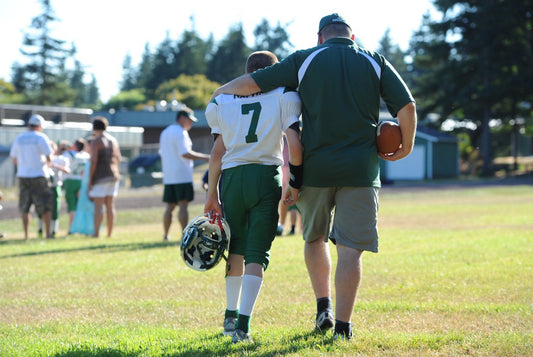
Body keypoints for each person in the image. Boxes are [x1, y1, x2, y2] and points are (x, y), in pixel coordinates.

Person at [210, 13, 417, 340]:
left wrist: (220, 92)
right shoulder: (374, 60)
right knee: (350, 249)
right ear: (353, 36)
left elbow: (254, 82)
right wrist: (404, 148)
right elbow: (407, 107)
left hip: (316, 170)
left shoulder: (305, 57)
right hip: (361, 170)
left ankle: (324, 306)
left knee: (314, 238)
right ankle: (344, 329)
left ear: (320, 37)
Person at [204, 50, 303, 343]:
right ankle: (243, 327)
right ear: (272, 72)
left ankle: (229, 316)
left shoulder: (222, 101)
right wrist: (295, 180)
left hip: (232, 179)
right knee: (257, 253)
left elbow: (216, 154)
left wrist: (211, 194)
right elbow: (294, 145)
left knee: (235, 248)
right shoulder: (284, 95)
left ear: (246, 72)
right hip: (264, 176)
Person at [159, 108, 210, 241]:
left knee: (169, 207)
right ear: (182, 118)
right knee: (183, 205)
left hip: (169, 176)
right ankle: (184, 234)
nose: (191, 124)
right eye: (189, 120)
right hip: (182, 174)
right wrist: (206, 157)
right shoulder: (181, 132)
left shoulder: (165, 132)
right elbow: (185, 153)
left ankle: (166, 235)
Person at [9, 114, 55, 239]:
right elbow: (49, 157)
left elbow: (14, 159)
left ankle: (26, 235)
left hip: (23, 175)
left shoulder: (19, 138)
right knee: (45, 204)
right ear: (40, 126)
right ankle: (48, 233)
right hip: (39, 175)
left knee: (25, 206)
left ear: (29, 125)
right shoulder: (41, 137)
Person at [88, 117, 121, 238]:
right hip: (113, 175)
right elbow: (118, 158)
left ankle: (96, 233)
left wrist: (90, 179)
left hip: (100, 176)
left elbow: (94, 161)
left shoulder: (96, 141)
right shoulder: (113, 140)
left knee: (98, 206)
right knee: (110, 206)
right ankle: (109, 233)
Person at [38, 141, 70, 238]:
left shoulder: (60, 159)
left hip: (55, 186)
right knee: (41, 208)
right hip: (44, 186)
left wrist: (54, 165)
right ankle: (40, 229)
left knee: (55, 209)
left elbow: (67, 170)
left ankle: (54, 230)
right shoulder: (41, 159)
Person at [63, 138, 90, 233]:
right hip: (81, 181)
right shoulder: (86, 156)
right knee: (80, 205)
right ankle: (81, 227)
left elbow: (63, 161)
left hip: (70, 180)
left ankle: (71, 229)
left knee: (72, 206)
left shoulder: (69, 154)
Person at [70, 137, 95, 236]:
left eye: (87, 146)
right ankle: (83, 229)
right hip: (84, 185)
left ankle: (90, 229)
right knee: (83, 208)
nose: (86, 148)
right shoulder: (88, 158)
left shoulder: (93, 159)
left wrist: (89, 186)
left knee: (89, 208)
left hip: (89, 186)